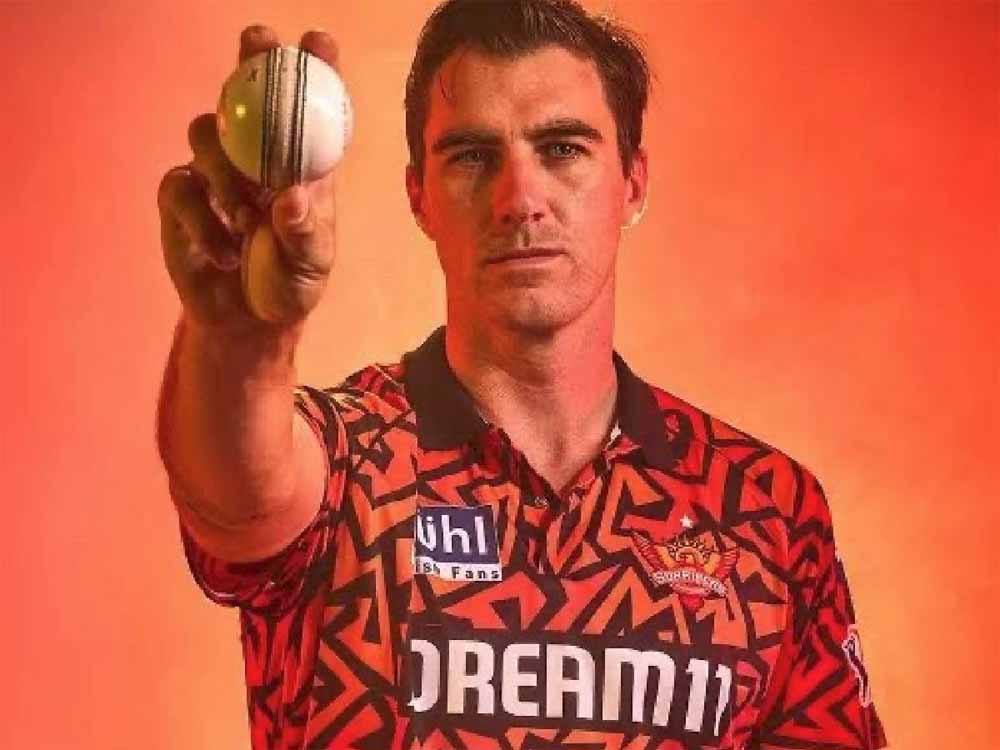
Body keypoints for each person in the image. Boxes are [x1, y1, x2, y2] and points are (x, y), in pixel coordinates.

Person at [156, 2, 888, 748]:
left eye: (563, 149)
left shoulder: (767, 512)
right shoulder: (351, 462)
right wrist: (240, 340)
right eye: (473, 156)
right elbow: (240, 497)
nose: (520, 200)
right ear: (419, 197)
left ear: (633, 183)